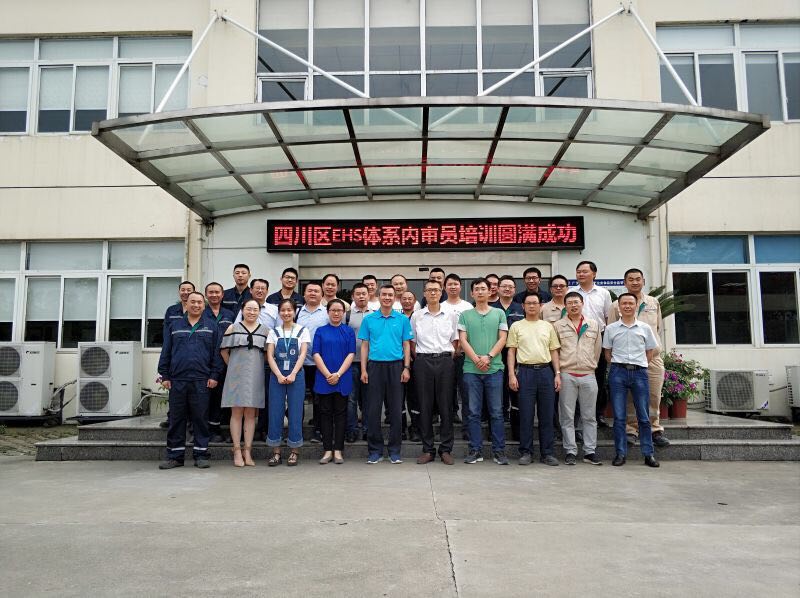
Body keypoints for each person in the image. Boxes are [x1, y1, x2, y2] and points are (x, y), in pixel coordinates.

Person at [157, 291, 223, 470]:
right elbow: (166, 350)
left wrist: (214, 375)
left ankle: (201, 454)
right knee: (176, 418)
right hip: (177, 379)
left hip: (202, 380)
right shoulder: (175, 325)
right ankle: (175, 456)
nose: (196, 305)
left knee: (200, 418)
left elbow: (217, 353)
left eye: (199, 302)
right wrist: (164, 375)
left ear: (204, 305)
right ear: (186, 304)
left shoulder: (211, 326)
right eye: (192, 302)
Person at [607, 268, 670, 448]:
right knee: (628, 398)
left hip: (652, 358)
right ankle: (631, 430)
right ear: (625, 283)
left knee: (654, 395)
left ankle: (654, 429)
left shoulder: (653, 302)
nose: (634, 282)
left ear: (643, 281)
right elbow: (611, 332)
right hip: (627, 361)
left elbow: (657, 328)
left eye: (638, 279)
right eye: (630, 279)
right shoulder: (616, 305)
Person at [603, 293, 660, 468]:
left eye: (630, 303)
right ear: (619, 307)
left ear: (636, 306)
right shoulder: (611, 328)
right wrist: (618, 365)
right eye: (624, 303)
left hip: (639, 373)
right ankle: (620, 454)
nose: (627, 306)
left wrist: (641, 364)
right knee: (619, 417)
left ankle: (648, 454)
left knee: (643, 416)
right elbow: (607, 353)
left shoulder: (645, 328)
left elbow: (650, 352)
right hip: (618, 373)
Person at [359, 284, 413, 464]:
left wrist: (406, 367)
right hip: (375, 367)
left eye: (390, 295)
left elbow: (406, 344)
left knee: (396, 410)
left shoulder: (402, 319)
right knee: (373, 410)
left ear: (394, 297)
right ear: (379, 296)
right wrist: (364, 369)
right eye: (384, 295)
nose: (387, 297)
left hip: (396, 367)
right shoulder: (369, 319)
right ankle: (375, 450)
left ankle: (394, 451)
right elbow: (365, 345)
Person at [507, 294, 561, 466]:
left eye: (535, 303)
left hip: (545, 372)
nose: (532, 306)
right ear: (523, 306)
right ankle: (526, 452)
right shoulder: (516, 326)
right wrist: (511, 374)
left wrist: (557, 373)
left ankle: (547, 453)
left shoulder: (547, 326)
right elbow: (511, 352)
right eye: (528, 303)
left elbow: (553, 351)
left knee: (547, 414)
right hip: (525, 372)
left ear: (540, 306)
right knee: (526, 414)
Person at [459, 278, 508, 465]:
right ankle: (475, 450)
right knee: (473, 412)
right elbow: (463, 340)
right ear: (472, 293)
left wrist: (488, 357)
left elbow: (503, 338)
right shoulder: (465, 315)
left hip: (494, 369)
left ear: (490, 292)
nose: (480, 292)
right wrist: (476, 359)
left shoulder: (499, 313)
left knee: (496, 412)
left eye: (483, 289)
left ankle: (499, 451)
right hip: (471, 370)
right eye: (476, 289)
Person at [411, 280, 458, 465]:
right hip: (423, 362)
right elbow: (412, 342)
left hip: (445, 361)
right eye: (429, 290)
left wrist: (446, 357)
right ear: (424, 293)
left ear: (441, 293)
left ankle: (445, 449)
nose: (432, 293)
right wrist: (422, 359)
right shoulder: (417, 316)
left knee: (446, 406)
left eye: (436, 290)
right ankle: (428, 449)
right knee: (425, 406)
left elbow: (455, 340)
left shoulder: (451, 315)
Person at [552, 292, 603, 466]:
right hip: (567, 374)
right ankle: (570, 451)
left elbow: (597, 349)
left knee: (589, 416)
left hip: (588, 374)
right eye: (570, 303)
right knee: (567, 416)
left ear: (582, 304)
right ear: (565, 306)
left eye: (576, 302)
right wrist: (558, 372)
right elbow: (555, 351)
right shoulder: (558, 326)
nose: (573, 305)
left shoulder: (593, 324)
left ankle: (590, 451)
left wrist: (590, 365)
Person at [219, 298, 267, 467]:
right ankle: (237, 450)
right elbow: (224, 351)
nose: (252, 312)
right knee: (237, 412)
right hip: (236, 376)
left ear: (259, 312)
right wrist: (232, 367)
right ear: (242, 310)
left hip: (255, 376)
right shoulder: (233, 328)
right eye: (249, 309)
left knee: (251, 414)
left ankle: (248, 450)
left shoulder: (265, 331)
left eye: (255, 309)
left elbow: (267, 354)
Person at [266, 299, 311, 467]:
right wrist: (278, 374)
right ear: (279, 313)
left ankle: (294, 450)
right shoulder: (274, 332)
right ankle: (276, 452)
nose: (286, 313)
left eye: (289, 310)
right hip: (276, 375)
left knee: (295, 412)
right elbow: (270, 355)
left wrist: (293, 373)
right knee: (275, 412)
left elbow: (303, 354)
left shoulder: (302, 331)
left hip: (296, 375)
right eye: (283, 310)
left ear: (294, 312)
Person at [313, 299, 356, 464]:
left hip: (342, 377)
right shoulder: (320, 331)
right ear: (328, 312)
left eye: (339, 310)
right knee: (325, 414)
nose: (336, 313)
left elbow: (351, 354)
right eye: (333, 310)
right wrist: (328, 374)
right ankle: (327, 450)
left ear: (343, 313)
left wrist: (337, 374)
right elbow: (316, 353)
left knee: (341, 414)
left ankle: (338, 450)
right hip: (323, 378)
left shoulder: (348, 331)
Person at [236, 278, 279, 441]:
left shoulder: (274, 310)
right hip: (246, 359)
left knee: (266, 395)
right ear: (251, 290)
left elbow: (279, 331)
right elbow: (237, 330)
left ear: (267, 291)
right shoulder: (244, 308)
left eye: (263, 288)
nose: (260, 291)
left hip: (267, 358)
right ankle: (244, 431)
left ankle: (264, 428)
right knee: (246, 394)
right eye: (257, 288)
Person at [571, 261, 612, 427]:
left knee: (599, 376)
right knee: (576, 376)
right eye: (578, 271)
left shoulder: (603, 293)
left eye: (584, 271)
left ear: (594, 274)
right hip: (576, 337)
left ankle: (598, 413)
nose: (581, 274)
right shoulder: (571, 292)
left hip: (598, 337)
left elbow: (608, 318)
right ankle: (578, 415)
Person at [296, 281, 329, 443]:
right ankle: (296, 430)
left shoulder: (327, 313)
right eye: (310, 291)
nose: (313, 293)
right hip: (299, 363)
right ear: (304, 294)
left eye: (316, 291)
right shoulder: (296, 312)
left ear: (322, 295)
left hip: (320, 364)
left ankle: (318, 430)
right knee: (297, 398)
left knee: (319, 398)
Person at [203, 282, 235, 443]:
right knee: (203, 398)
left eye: (217, 292)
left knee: (219, 396)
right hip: (204, 361)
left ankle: (215, 429)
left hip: (225, 360)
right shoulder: (201, 313)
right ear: (206, 295)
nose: (214, 295)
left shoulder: (229, 314)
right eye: (211, 292)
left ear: (222, 295)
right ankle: (200, 430)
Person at [491, 275, 524, 426]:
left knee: (515, 382)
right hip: (496, 352)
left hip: (517, 352)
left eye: (510, 287)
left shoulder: (521, 308)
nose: (507, 289)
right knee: (499, 384)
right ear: (498, 289)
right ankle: (502, 413)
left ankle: (516, 414)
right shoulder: (491, 308)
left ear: (514, 290)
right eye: (504, 286)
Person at [442, 273, 473, 429]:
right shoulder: (441, 306)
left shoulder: (468, 307)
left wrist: (461, 347)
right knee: (446, 391)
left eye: (456, 284)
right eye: (450, 284)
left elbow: (471, 331)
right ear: (444, 287)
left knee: (465, 390)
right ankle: (448, 423)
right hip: (445, 355)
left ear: (460, 287)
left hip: (465, 355)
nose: (453, 287)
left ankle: (467, 426)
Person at [346, 283, 373, 443]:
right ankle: (352, 430)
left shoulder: (375, 314)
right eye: (358, 294)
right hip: (351, 363)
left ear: (369, 295)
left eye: (364, 293)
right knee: (351, 399)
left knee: (369, 399)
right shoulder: (347, 315)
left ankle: (368, 430)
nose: (361, 296)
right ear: (353, 296)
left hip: (371, 363)